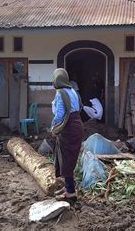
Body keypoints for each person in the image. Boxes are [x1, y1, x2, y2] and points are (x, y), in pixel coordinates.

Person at [50, 68, 84, 203]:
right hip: (77, 126)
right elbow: (79, 108)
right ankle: (68, 188)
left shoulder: (60, 93)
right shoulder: (73, 91)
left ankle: (70, 193)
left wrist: (53, 127)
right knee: (69, 159)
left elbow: (59, 115)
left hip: (68, 129)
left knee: (66, 161)